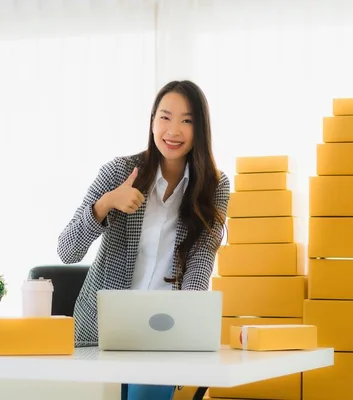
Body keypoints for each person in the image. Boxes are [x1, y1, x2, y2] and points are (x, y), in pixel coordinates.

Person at [57, 80, 230, 400]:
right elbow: (67, 249)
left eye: (187, 120)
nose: (173, 130)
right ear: (152, 122)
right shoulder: (119, 172)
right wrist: (105, 204)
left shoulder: (213, 186)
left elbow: (201, 262)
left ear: (200, 129)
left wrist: (186, 331)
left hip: (165, 334)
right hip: (102, 333)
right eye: (165, 117)